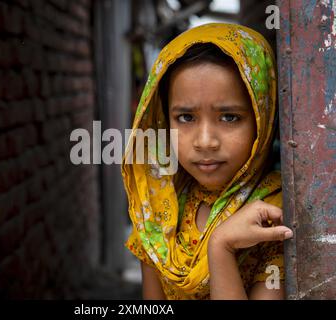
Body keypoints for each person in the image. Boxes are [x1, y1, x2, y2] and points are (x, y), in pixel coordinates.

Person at [122, 23, 293, 300]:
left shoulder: (273, 216)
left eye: (229, 117)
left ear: (264, 119)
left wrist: (221, 248)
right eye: (186, 118)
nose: (205, 141)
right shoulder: (158, 210)